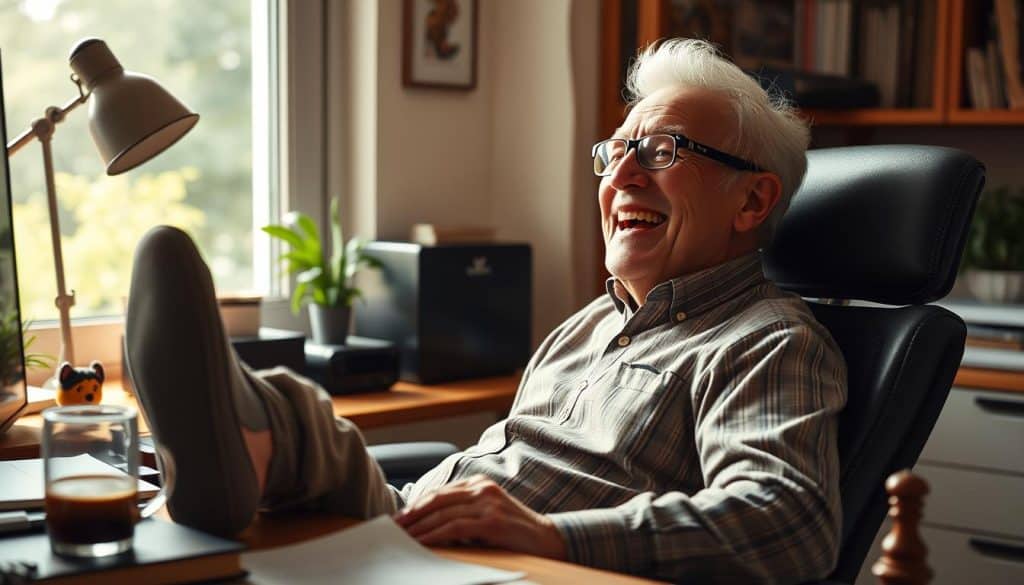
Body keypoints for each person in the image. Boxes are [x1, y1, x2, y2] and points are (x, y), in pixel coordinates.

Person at [124, 39, 846, 583]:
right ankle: (248, 438)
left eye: (661, 152)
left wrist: (553, 536)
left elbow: (791, 521)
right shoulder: (587, 325)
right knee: (313, 433)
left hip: (515, 569)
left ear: (752, 200)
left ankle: (241, 445)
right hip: (420, 528)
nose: (621, 175)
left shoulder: (767, 341)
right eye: (616, 151)